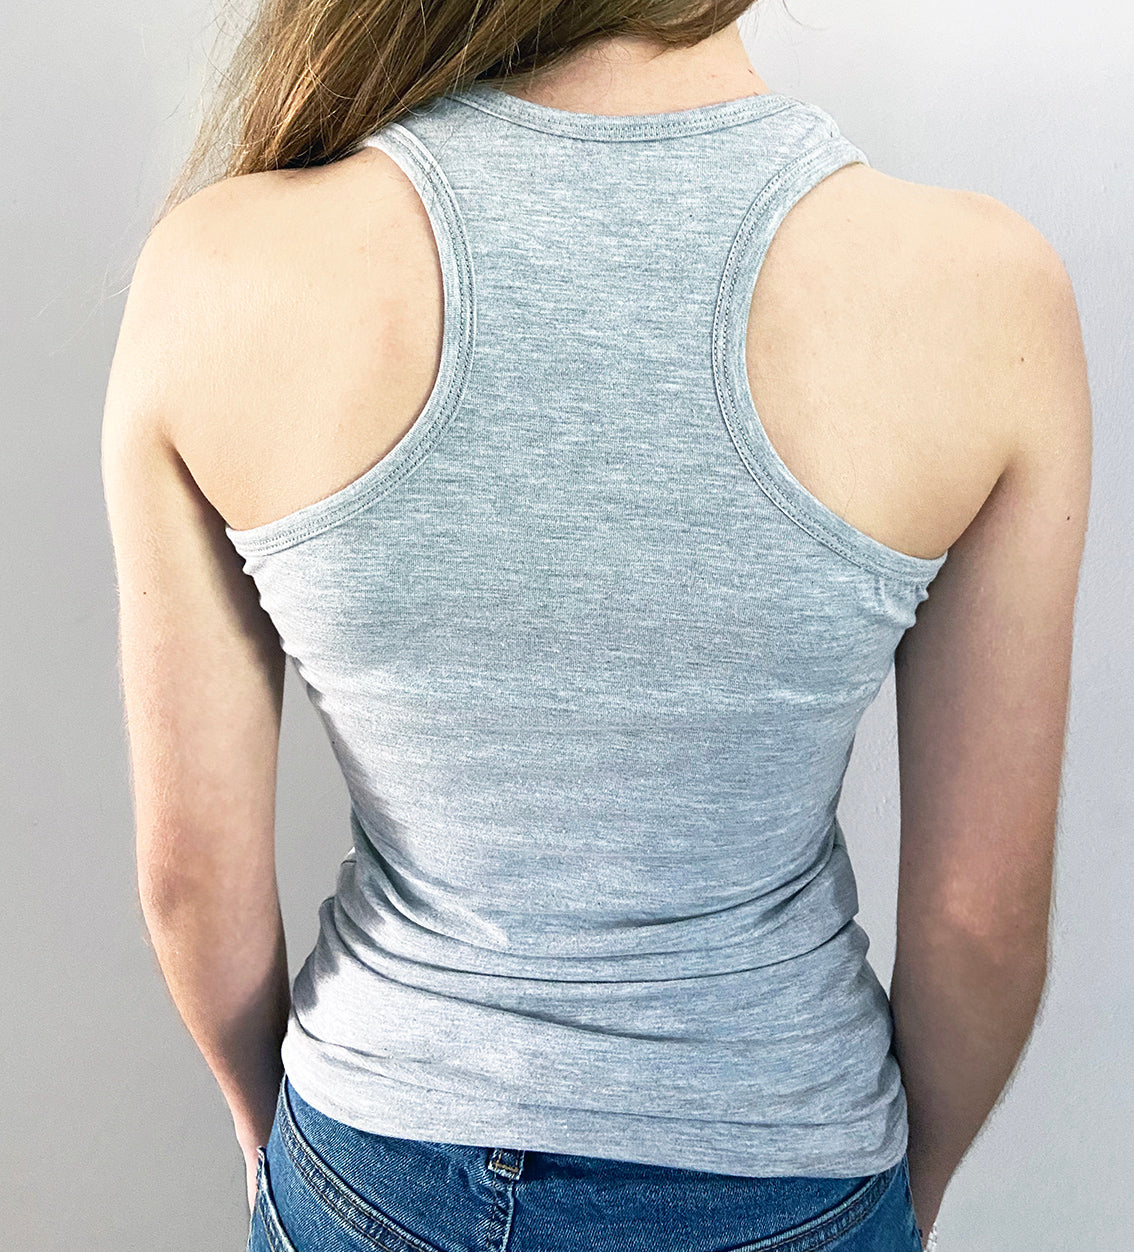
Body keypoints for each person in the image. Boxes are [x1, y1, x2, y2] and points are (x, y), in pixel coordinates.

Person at [101, 3, 1091, 1250]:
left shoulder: (219, 270)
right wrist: (892, 1196)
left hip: (372, 1153)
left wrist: (271, 1132)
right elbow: (980, 920)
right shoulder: (980, 292)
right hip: (789, 1162)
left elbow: (191, 878)